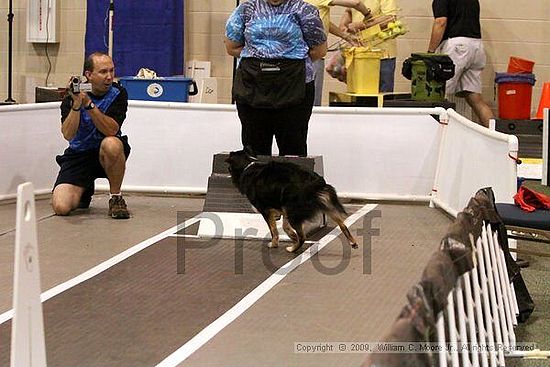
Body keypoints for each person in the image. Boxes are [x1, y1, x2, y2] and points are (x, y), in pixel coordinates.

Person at [225, 0, 327, 157]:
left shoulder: (305, 11)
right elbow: (232, 47)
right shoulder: (245, 10)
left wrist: (286, 61)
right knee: (254, 149)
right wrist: (265, 59)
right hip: (252, 87)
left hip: (295, 88)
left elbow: (319, 50)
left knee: (293, 148)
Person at [52, 52, 131, 219]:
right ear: (88, 75)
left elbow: (111, 130)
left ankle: (116, 197)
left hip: (106, 152)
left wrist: (89, 105)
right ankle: (84, 190)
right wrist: (76, 105)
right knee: (61, 206)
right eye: (103, 72)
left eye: (111, 71)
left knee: (112, 143)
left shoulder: (119, 93)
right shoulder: (72, 97)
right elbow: (68, 134)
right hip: (79, 154)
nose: (109, 77)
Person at [428, 0, 494, 127]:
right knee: (476, 99)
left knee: (439, 95)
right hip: (477, 46)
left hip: (457, 47)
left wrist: (430, 52)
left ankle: (438, 137)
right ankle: (497, 137)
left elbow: (440, 22)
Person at [304, 0, 371, 105]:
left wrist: (345, 36)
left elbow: (322, 21)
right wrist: (367, 15)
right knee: (312, 101)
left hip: (300, 55)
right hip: (313, 55)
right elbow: (356, 3)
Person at [339, 0, 398, 92]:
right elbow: (349, 11)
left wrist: (362, 25)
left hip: (382, 55)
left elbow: (390, 18)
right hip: (360, 53)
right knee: (360, 95)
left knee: (382, 97)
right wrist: (343, 25)